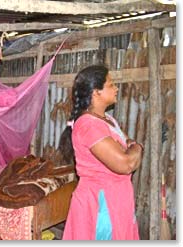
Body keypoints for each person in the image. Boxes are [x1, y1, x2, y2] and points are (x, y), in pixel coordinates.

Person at [60, 65, 144, 240]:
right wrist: (138, 147)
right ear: (96, 92)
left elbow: (127, 145)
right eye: (111, 84)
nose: (116, 88)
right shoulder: (88, 125)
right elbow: (126, 163)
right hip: (100, 204)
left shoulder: (107, 119)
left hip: (116, 197)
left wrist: (132, 147)